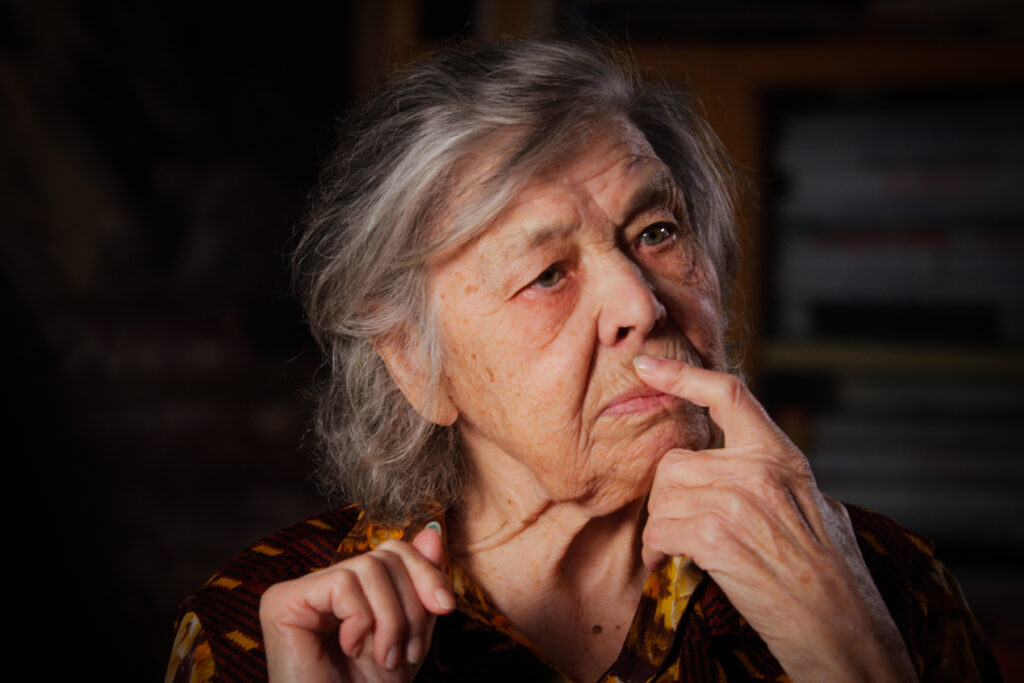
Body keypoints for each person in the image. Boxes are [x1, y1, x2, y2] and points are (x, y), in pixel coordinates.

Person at [166, 39, 999, 682]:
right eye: (548, 274)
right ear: (417, 365)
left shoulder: (882, 582)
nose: (641, 304)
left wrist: (851, 655)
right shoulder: (262, 636)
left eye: (658, 233)